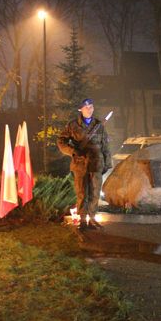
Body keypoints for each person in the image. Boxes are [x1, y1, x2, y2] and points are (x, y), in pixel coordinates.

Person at [57, 98, 112, 230]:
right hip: (80, 163)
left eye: (91, 107)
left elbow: (105, 146)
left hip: (96, 163)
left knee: (95, 193)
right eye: (87, 107)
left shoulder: (99, 125)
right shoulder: (72, 125)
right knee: (82, 193)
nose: (90, 109)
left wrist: (107, 164)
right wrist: (73, 151)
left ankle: (92, 219)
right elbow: (61, 141)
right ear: (80, 109)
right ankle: (82, 220)